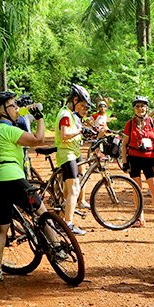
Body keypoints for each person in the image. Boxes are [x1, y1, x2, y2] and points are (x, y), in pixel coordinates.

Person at [0, 91, 47, 283]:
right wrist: (40, 118)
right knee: (41, 211)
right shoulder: (10, 130)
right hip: (13, 178)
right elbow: (38, 140)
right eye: (13, 106)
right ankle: (57, 248)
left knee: (0, 229)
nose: (17, 109)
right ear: (2, 111)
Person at [121, 96, 154, 229]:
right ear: (134, 108)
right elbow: (124, 144)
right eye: (137, 106)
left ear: (147, 108)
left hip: (149, 159)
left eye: (143, 106)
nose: (140, 109)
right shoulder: (129, 124)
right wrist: (125, 162)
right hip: (134, 158)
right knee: (137, 189)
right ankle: (140, 218)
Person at [55, 84, 94, 236]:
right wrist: (80, 130)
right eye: (82, 105)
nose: (83, 108)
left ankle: (63, 217)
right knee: (74, 189)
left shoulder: (69, 114)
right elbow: (65, 135)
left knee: (68, 189)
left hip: (71, 151)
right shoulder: (65, 114)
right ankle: (68, 224)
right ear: (75, 99)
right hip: (67, 153)